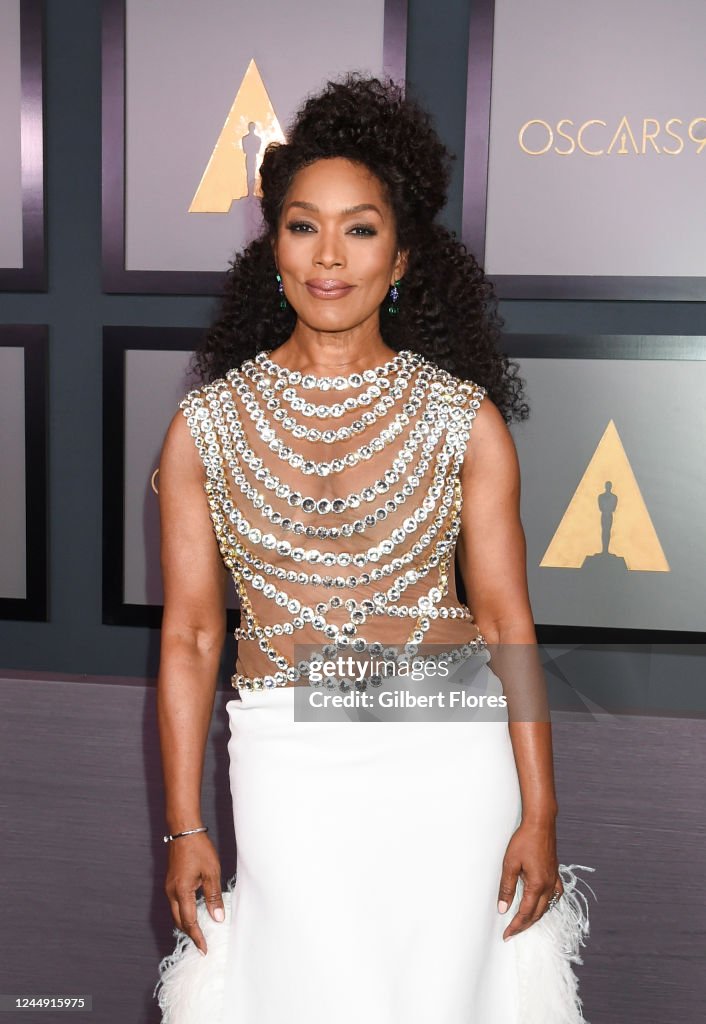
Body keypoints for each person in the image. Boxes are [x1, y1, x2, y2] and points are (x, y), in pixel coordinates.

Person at [153, 75, 596, 1023]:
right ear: (273, 248)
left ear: (399, 261)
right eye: (304, 226)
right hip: (289, 767)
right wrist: (185, 823)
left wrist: (540, 810)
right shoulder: (206, 428)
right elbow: (192, 636)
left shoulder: (462, 420)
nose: (329, 256)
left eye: (360, 229)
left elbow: (506, 620)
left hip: (450, 760)